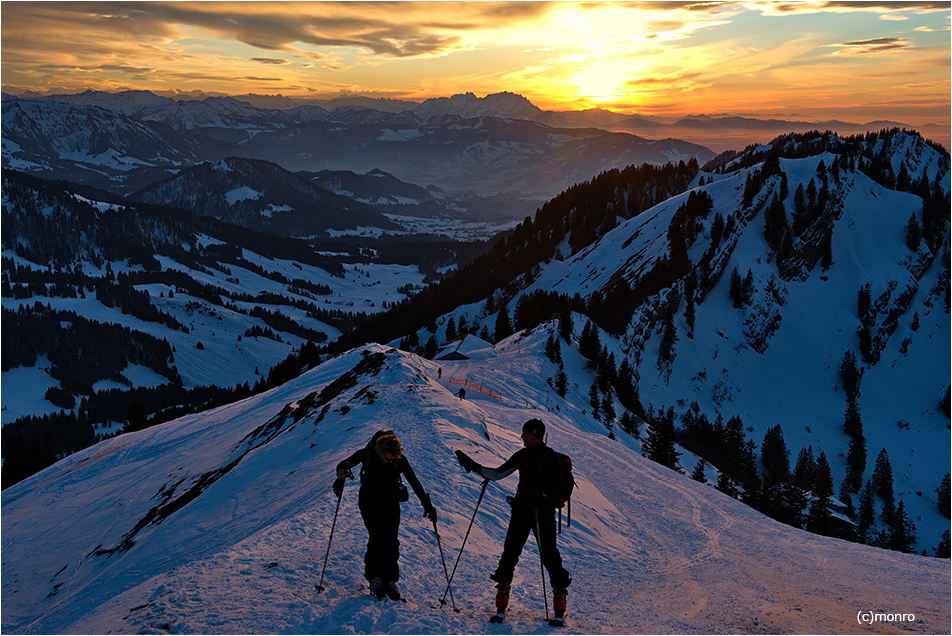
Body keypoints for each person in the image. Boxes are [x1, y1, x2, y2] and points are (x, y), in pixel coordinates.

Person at [454, 418, 572, 623]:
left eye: (525, 433)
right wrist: (474, 467)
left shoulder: (550, 457)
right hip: (522, 511)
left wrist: (540, 493)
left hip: (542, 513)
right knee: (510, 552)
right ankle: (503, 599)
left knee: (549, 555)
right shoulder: (523, 455)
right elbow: (499, 473)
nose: (521, 437)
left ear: (535, 435)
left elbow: (557, 485)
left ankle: (559, 600)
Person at [334, 430, 437, 600]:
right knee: (377, 537)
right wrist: (340, 476)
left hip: (391, 501)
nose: (391, 461)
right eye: (388, 458)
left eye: (393, 458)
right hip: (369, 500)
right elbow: (344, 464)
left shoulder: (398, 460)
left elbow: (414, 480)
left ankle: (389, 579)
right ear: (379, 452)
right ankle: (374, 576)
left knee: (391, 540)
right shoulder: (366, 454)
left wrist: (427, 504)